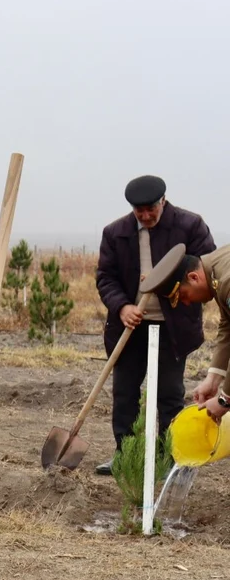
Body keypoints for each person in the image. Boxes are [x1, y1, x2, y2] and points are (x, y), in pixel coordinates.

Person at [94, 175, 215, 474]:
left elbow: (205, 269)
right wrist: (122, 306)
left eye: (151, 209)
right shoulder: (115, 233)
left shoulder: (190, 226)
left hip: (174, 327)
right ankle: (126, 456)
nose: (146, 215)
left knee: (169, 394)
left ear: (163, 201)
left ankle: (168, 457)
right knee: (124, 393)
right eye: (139, 211)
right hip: (131, 326)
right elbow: (105, 277)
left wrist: (165, 282)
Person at [146, 245, 230, 423]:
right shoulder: (215, 268)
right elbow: (227, 326)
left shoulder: (226, 280)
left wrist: (225, 399)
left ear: (193, 277)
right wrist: (213, 379)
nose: (186, 302)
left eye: (182, 295)